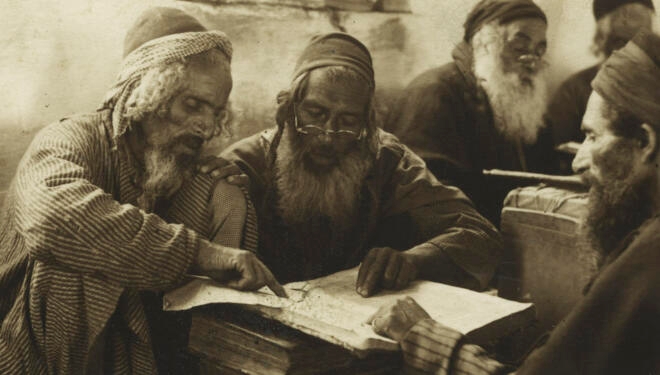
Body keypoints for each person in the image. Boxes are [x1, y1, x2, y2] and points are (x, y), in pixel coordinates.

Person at [0, 7, 285, 374]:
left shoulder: (172, 160)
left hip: (132, 346)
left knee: (225, 192)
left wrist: (224, 191)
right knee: (75, 259)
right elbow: (53, 219)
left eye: (215, 111)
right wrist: (201, 254)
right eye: (192, 105)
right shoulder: (70, 138)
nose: (205, 126)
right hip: (29, 351)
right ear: (147, 93)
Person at [371, 30, 660, 375]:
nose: (577, 162)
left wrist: (422, 335)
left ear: (645, 141)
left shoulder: (648, 259)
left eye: (592, 136)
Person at [213, 32, 503, 298]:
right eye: (315, 113)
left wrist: (414, 260)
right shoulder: (243, 165)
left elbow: (480, 236)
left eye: (348, 121)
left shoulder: (388, 159)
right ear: (289, 108)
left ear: (368, 124)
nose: (328, 134)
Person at [385, 0, 556, 226]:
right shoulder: (434, 92)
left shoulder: (526, 105)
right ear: (483, 44)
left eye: (539, 50)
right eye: (519, 48)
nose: (531, 61)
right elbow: (423, 194)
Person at [546, 0, 655, 173]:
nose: (629, 51)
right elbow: (556, 157)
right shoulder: (573, 91)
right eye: (621, 41)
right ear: (602, 39)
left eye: (639, 42)